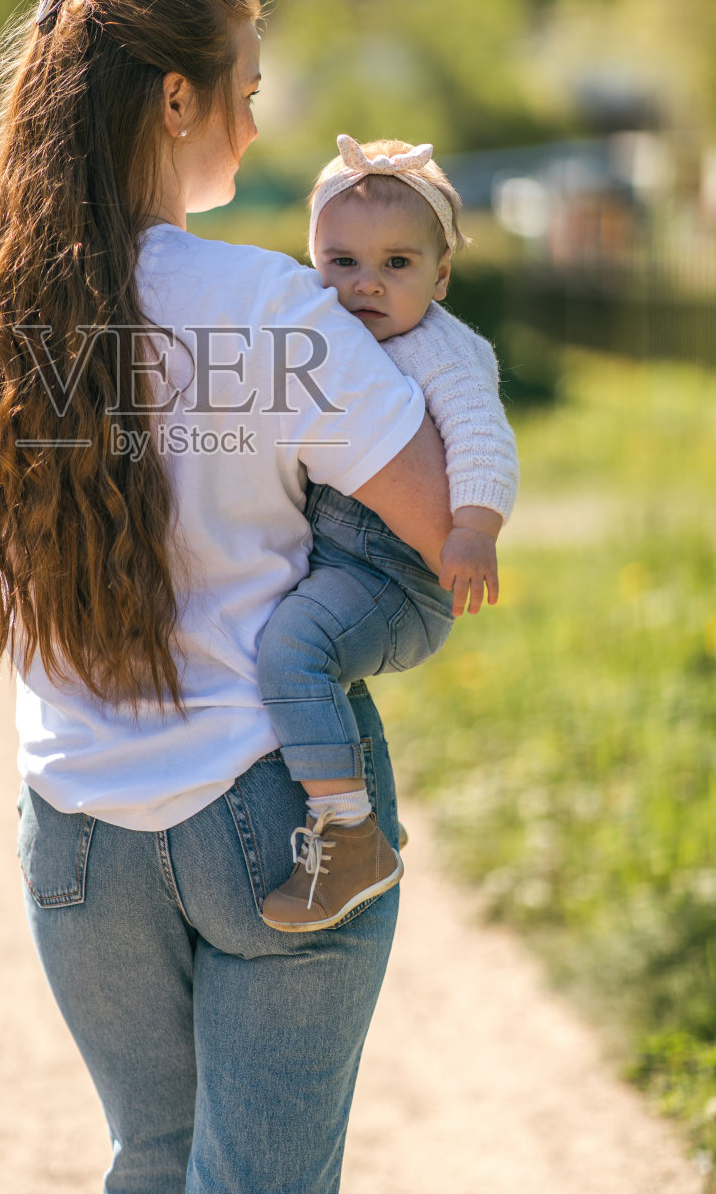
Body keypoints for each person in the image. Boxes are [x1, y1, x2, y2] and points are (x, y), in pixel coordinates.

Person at [0, 0, 452, 1194]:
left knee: (151, 1162)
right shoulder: (271, 307)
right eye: (244, 92)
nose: (254, 132)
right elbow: (439, 512)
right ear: (174, 99)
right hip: (272, 816)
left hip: (75, 834)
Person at [257, 136, 519, 933]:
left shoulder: (441, 349)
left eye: (397, 264)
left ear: (439, 277)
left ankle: (348, 836)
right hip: (342, 560)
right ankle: (369, 810)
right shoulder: (325, 333)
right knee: (310, 657)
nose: (365, 283)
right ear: (311, 260)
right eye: (340, 262)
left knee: (291, 651)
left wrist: (471, 529)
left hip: (398, 577)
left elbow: (481, 437)